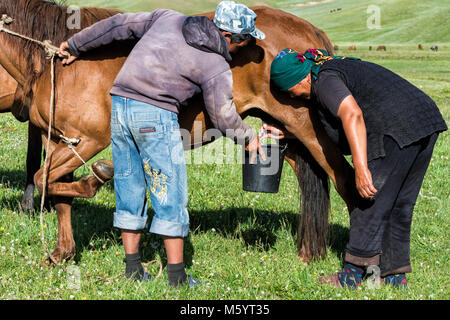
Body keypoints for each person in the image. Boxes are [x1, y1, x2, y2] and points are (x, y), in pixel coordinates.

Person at [58, 1, 266, 287]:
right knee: (169, 192)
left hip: (119, 104)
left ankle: (133, 269)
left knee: (129, 185)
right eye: (242, 41)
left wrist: (74, 44)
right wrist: (250, 137)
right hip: (155, 116)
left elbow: (118, 27)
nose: (240, 48)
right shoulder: (214, 64)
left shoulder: (168, 19)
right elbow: (223, 115)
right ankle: (177, 277)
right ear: (229, 36)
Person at [265, 48, 447, 288]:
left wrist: (360, 169)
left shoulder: (324, 81)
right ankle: (394, 275)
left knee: (368, 198)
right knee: (399, 204)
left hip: (396, 128)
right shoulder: (334, 67)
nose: (296, 97)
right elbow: (336, 129)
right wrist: (290, 133)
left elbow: (352, 114)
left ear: (302, 78)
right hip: (425, 121)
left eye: (292, 91)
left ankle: (352, 276)